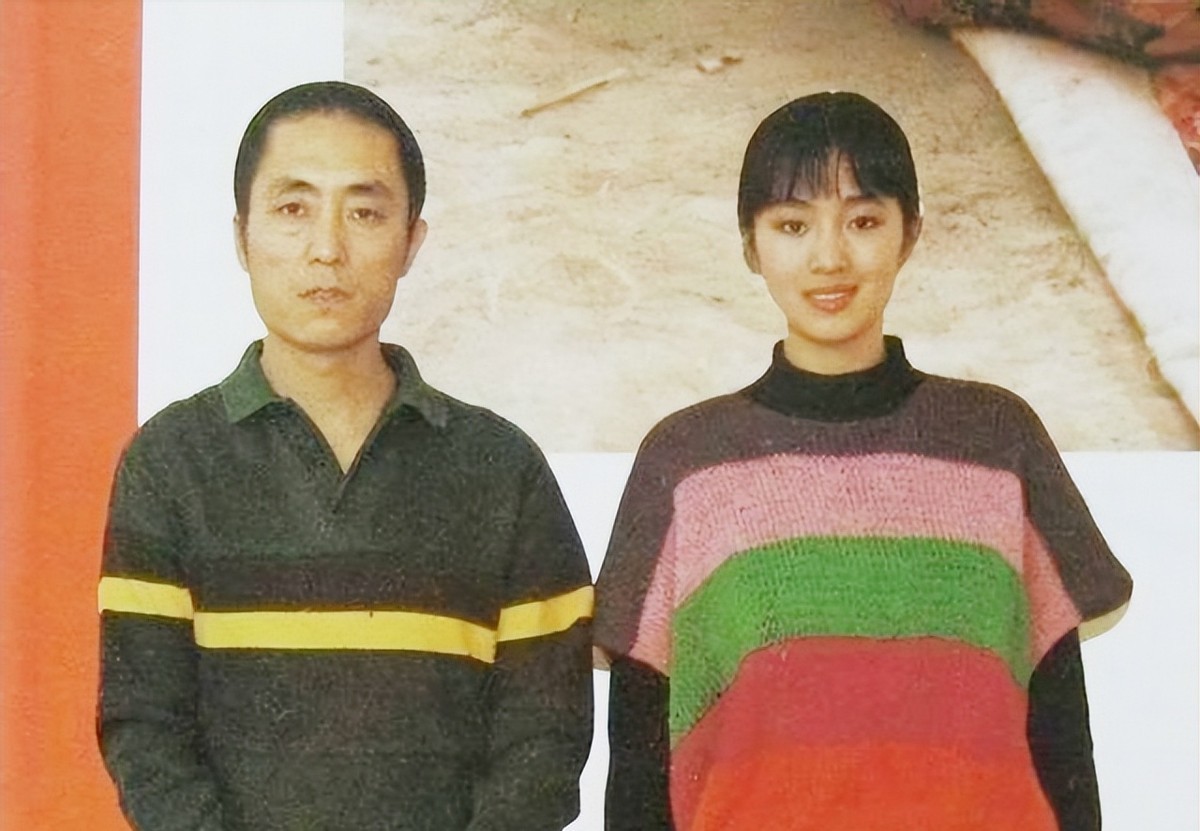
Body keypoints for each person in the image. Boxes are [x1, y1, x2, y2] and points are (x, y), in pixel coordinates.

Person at [593, 91, 1133, 831]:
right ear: (750, 246)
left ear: (910, 233)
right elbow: (638, 764)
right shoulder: (687, 462)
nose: (829, 258)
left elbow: (1062, 734)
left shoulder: (997, 440)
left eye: (864, 221)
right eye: (792, 225)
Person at [97, 81, 593, 831]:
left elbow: (544, 743)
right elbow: (146, 731)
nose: (326, 249)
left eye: (364, 212)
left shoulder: (502, 469)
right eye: (293, 209)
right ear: (242, 237)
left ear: (411, 242)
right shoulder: (169, 463)